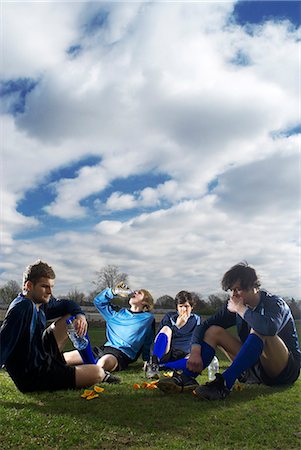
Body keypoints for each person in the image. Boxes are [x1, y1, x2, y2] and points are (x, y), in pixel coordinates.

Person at [158, 262, 300, 399]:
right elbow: (204, 326)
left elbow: (270, 328)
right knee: (213, 331)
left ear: (254, 287)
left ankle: (224, 383)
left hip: (283, 370)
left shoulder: (274, 303)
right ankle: (187, 377)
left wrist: (240, 309)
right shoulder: (236, 305)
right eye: (231, 290)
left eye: (238, 289)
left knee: (259, 329)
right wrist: (195, 350)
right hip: (256, 369)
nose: (234, 295)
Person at [0, 260, 118, 393]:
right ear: (29, 285)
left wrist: (80, 315)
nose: (50, 291)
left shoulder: (40, 303)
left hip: (41, 356)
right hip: (34, 375)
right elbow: (3, 343)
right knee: (97, 372)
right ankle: (93, 369)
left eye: (51, 287)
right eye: (45, 286)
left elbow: (68, 305)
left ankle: (73, 361)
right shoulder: (22, 307)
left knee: (70, 317)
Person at [93, 285, 155, 376]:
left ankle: (94, 375)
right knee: (68, 357)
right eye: (136, 291)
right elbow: (98, 302)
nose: (135, 292)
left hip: (121, 354)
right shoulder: (117, 312)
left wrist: (147, 360)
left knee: (103, 362)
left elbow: (148, 340)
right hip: (103, 348)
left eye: (140, 293)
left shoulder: (148, 318)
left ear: (145, 302)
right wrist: (114, 291)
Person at [144, 290, 201, 380]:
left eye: (186, 306)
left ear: (192, 307)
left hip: (184, 353)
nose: (184, 310)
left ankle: (161, 366)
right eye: (181, 306)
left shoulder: (196, 319)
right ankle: (154, 363)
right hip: (167, 352)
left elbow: (198, 338)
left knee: (193, 358)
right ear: (177, 307)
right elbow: (159, 337)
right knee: (166, 328)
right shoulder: (170, 317)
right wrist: (177, 325)